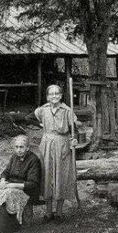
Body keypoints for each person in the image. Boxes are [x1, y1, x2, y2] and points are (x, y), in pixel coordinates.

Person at [35, 85, 79, 222]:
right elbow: (28, 118)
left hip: (62, 144)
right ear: (47, 96)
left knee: (62, 176)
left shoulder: (67, 111)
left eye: (57, 93)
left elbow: (75, 129)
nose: (54, 96)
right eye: (51, 94)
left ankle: (59, 212)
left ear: (61, 95)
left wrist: (74, 139)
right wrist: (42, 126)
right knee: (47, 175)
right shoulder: (43, 110)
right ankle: (48, 212)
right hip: (46, 143)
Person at [0, 135, 42, 233]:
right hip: (11, 185)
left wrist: (11, 185)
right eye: (16, 147)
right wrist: (3, 180)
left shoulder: (33, 160)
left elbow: (32, 184)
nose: (18, 150)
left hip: (26, 190)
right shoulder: (14, 157)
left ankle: (6, 227)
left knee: (7, 194)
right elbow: (6, 172)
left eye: (21, 147)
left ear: (27, 148)